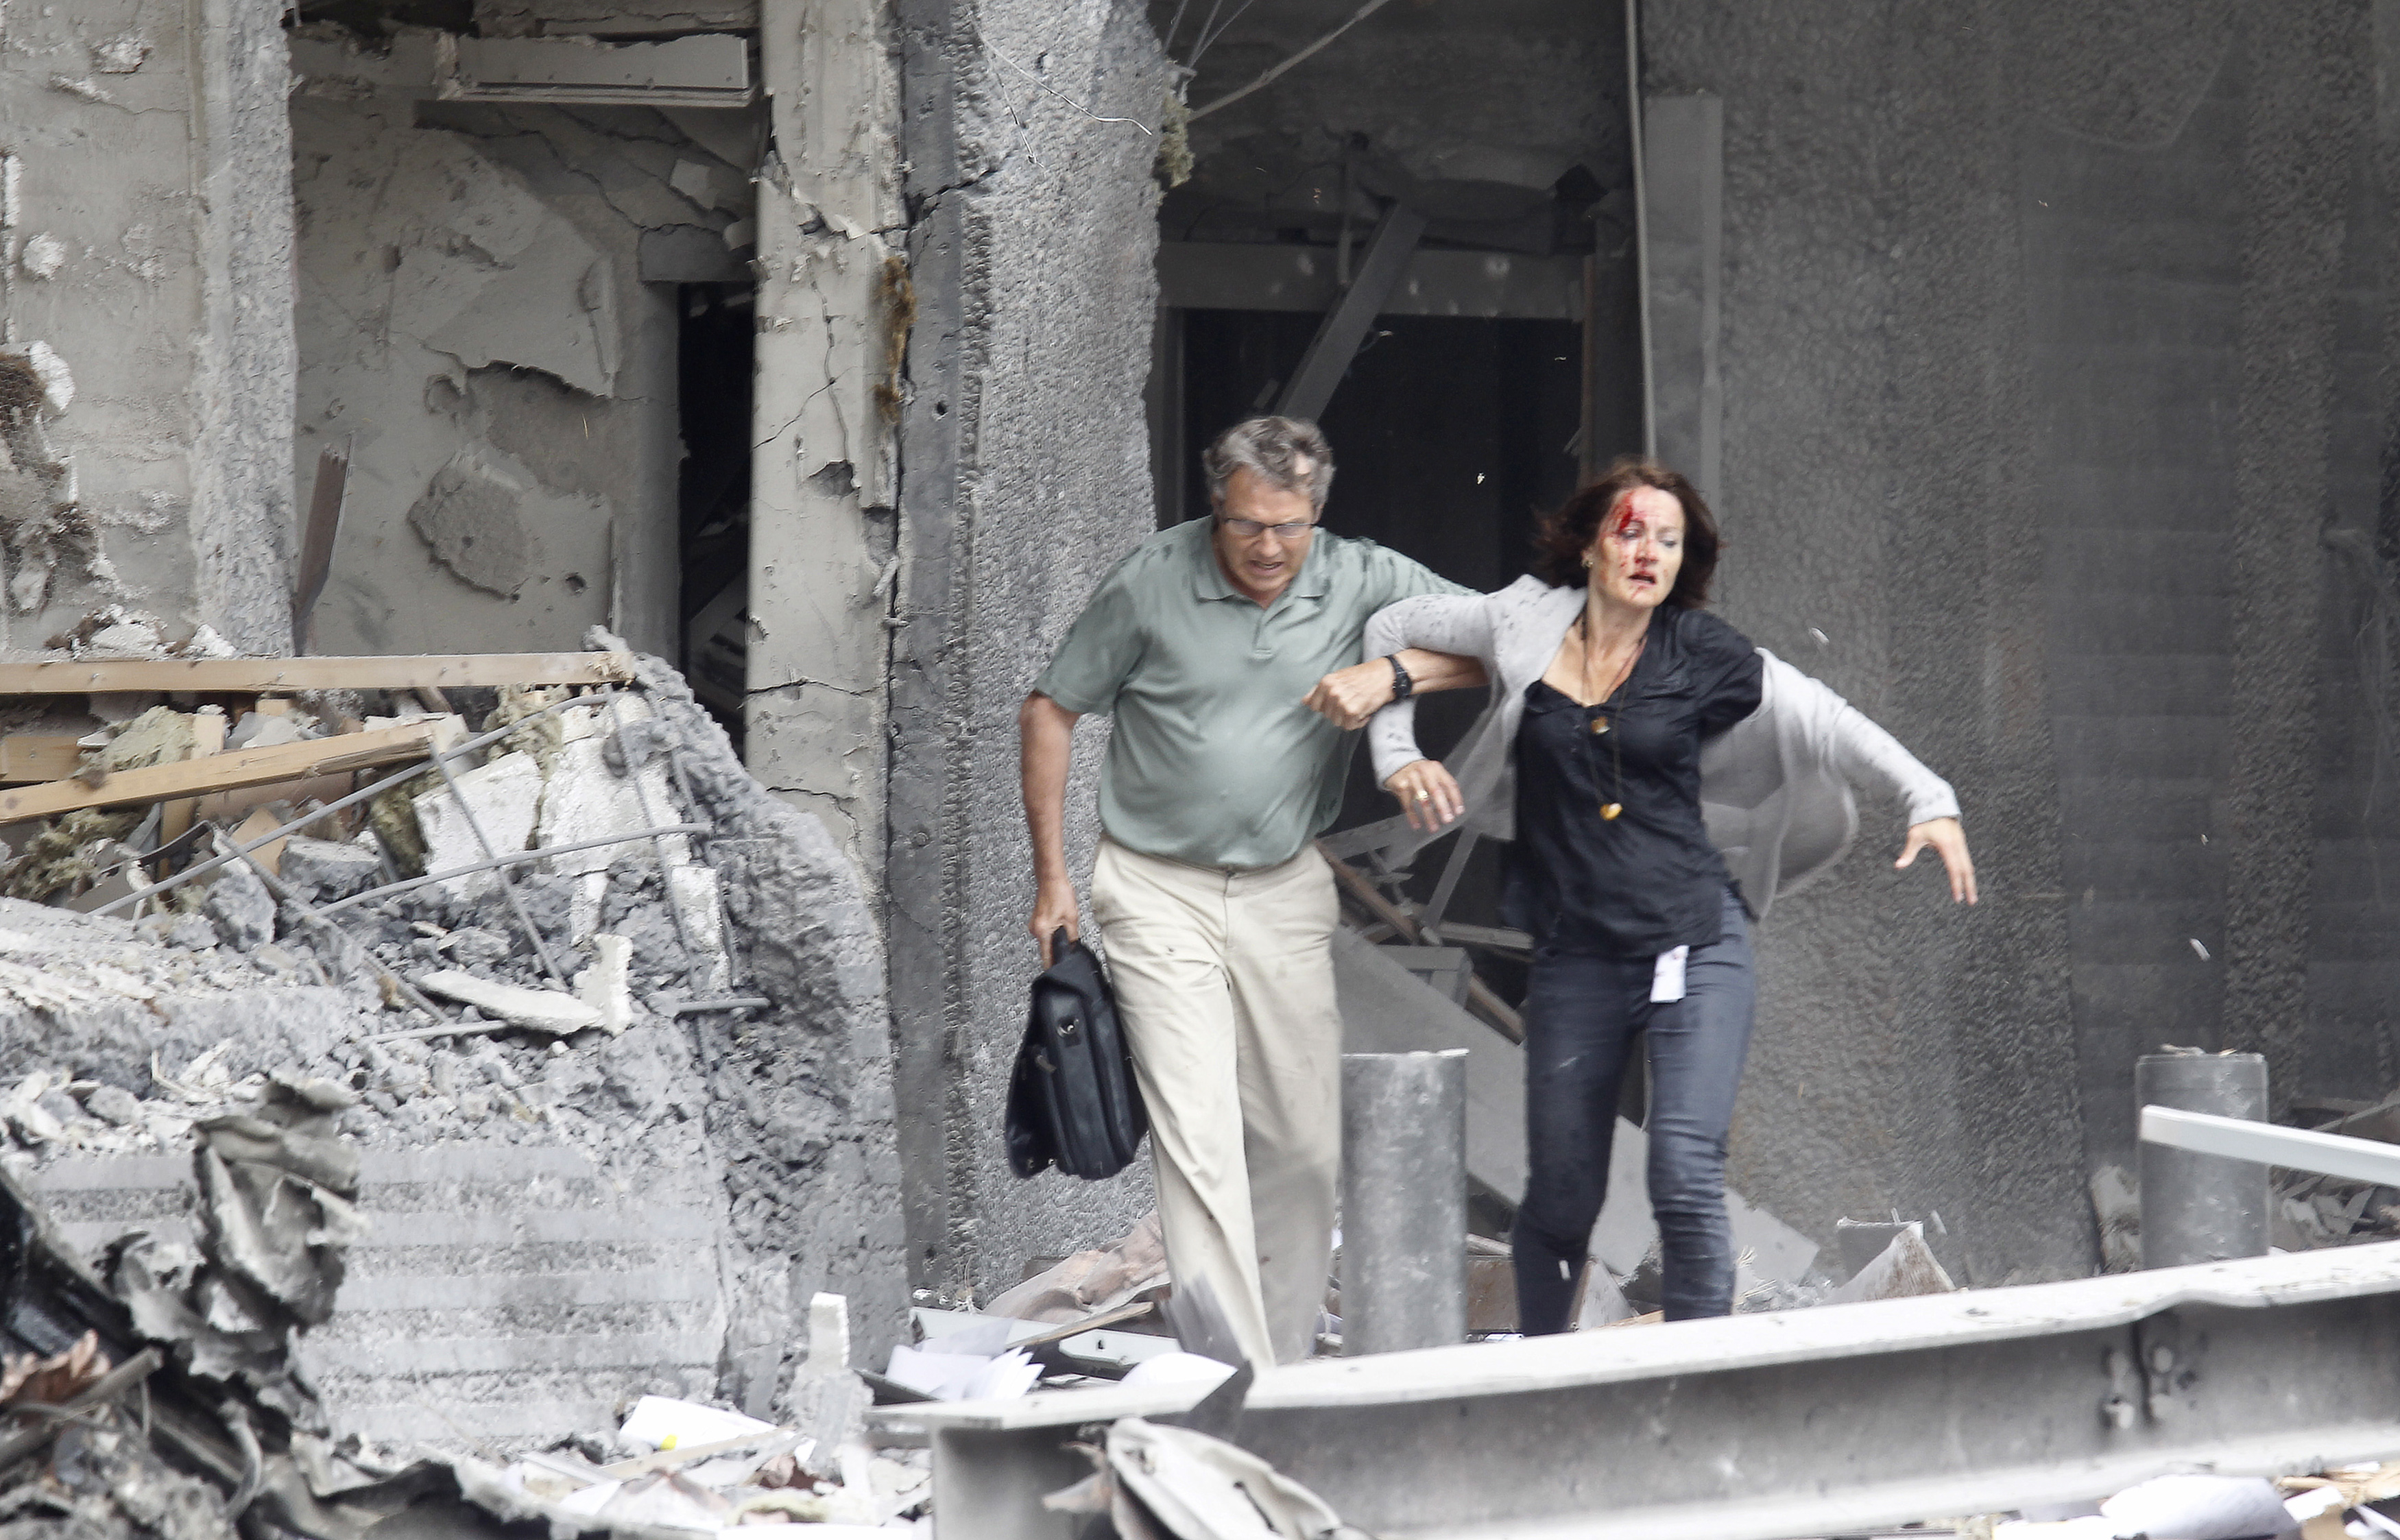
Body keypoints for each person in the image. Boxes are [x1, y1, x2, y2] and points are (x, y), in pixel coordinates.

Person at [1348, 458, 1975, 1332]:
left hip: (1695, 937)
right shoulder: (1520, 618)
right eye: (1631, 531)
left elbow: (1826, 719)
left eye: (1669, 541)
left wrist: (1928, 798)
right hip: (1578, 952)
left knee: (1683, 1169)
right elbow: (1390, 624)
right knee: (1562, 1196)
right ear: (1589, 544)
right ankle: (1543, 1381)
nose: (1649, 551)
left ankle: (1697, 1385)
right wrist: (1397, 754)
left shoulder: (1703, 652)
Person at [1018, 416, 1482, 1366]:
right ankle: (1239, 1373)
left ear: (1318, 512)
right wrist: (1053, 879)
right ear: (1214, 510)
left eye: (1290, 526)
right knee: (1199, 1142)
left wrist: (1390, 673)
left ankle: (1283, 1359)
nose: (1269, 548)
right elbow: (1049, 709)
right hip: (1155, 885)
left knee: (1303, 1148)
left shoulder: (1360, 576)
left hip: (1282, 885)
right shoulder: (1152, 579)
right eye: (1246, 525)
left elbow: (1508, 642)